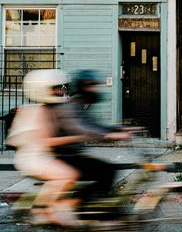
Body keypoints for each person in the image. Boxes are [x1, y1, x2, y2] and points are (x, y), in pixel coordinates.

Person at [6, 69, 86, 227]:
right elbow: (47, 141)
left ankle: (58, 207)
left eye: (62, 87)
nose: (61, 91)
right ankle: (42, 211)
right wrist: (78, 137)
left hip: (41, 156)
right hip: (34, 159)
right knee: (68, 175)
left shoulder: (41, 109)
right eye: (56, 88)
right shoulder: (39, 111)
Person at [49, 70, 132, 205]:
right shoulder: (70, 106)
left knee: (106, 170)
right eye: (91, 85)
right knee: (107, 171)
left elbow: (94, 125)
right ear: (82, 87)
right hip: (63, 157)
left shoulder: (79, 105)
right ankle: (83, 203)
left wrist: (120, 129)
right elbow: (81, 129)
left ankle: (92, 203)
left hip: (73, 155)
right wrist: (109, 135)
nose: (95, 89)